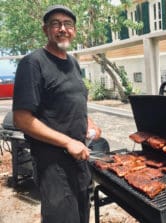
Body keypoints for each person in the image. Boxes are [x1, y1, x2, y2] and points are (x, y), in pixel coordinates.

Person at [12, 5, 101, 223]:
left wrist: (90, 123)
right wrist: (68, 142)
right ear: (46, 30)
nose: (63, 29)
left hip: (80, 157)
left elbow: (73, 101)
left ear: (75, 31)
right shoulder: (33, 63)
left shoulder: (73, 63)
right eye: (56, 24)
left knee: (82, 216)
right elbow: (22, 119)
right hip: (52, 163)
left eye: (68, 24)